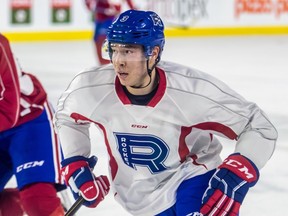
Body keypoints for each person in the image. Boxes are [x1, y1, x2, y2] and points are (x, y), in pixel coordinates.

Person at [54, 10, 278, 216]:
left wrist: (237, 173)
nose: (119, 61)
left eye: (129, 51)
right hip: (136, 197)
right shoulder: (90, 88)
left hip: (192, 176)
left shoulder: (191, 90)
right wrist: (76, 163)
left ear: (154, 53)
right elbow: (67, 117)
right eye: (114, 50)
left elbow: (257, 126)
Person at [0, 33, 67, 216]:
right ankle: (16, 203)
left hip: (28, 121)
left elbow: (7, 109)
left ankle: (38, 195)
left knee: (38, 202)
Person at [84, 0, 136, 65]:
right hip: (99, 17)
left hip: (111, 17)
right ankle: (103, 65)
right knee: (97, 40)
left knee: (104, 40)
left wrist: (133, 9)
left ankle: (109, 64)